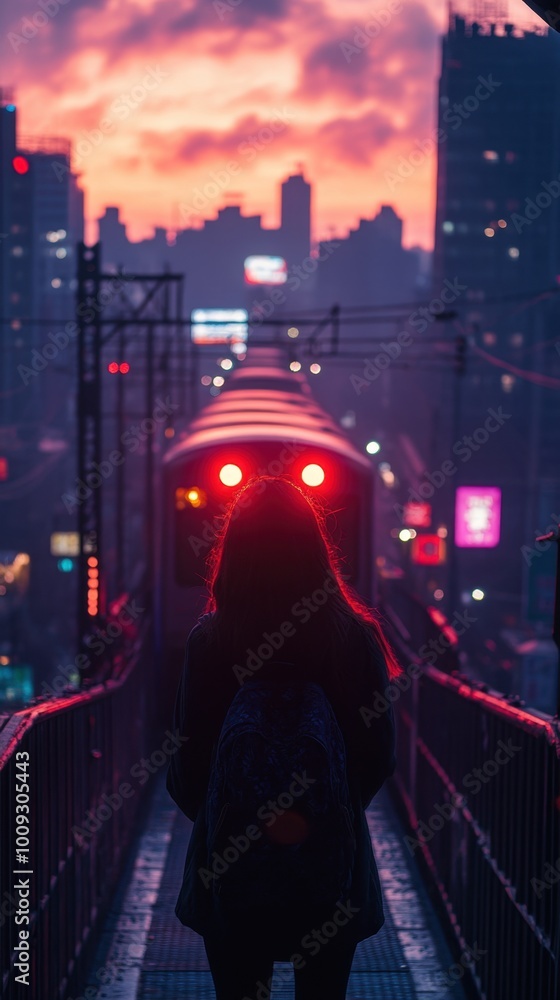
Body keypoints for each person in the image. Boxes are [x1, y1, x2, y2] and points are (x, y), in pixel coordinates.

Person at [166, 475, 400, 1000]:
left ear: (235, 550)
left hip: (228, 870)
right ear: (316, 549)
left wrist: (233, 821)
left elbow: (184, 768)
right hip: (332, 875)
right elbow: (380, 755)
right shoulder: (354, 639)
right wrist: (324, 816)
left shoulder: (210, 641)